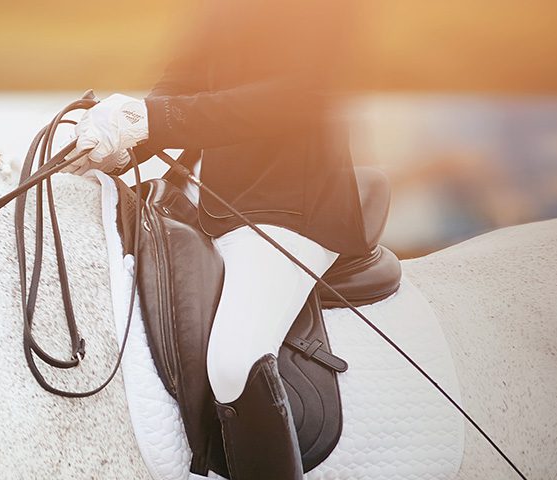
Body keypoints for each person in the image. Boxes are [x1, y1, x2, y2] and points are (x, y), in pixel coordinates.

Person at [66, 0, 366, 478]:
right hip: (211, 206)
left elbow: (304, 95)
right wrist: (121, 144)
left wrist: (151, 121)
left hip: (292, 207)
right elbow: (181, 85)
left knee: (234, 362)